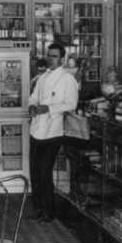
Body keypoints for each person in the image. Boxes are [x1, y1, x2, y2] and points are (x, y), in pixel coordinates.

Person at [28, 43, 78, 223]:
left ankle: (49, 211)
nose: (50, 59)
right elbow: (33, 96)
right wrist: (33, 106)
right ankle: (38, 208)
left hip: (54, 131)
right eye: (49, 55)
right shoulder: (42, 77)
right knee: (34, 171)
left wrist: (48, 108)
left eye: (54, 56)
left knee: (44, 171)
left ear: (62, 58)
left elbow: (71, 104)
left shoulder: (67, 79)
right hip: (36, 129)